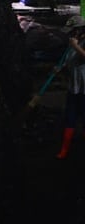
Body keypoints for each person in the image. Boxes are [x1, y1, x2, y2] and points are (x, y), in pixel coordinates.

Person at [56, 15, 85, 159]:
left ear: (80, 29)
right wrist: (60, 69)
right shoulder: (72, 43)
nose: (71, 34)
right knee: (70, 118)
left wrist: (76, 46)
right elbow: (69, 62)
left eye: (73, 31)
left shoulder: (78, 43)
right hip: (73, 88)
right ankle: (64, 149)